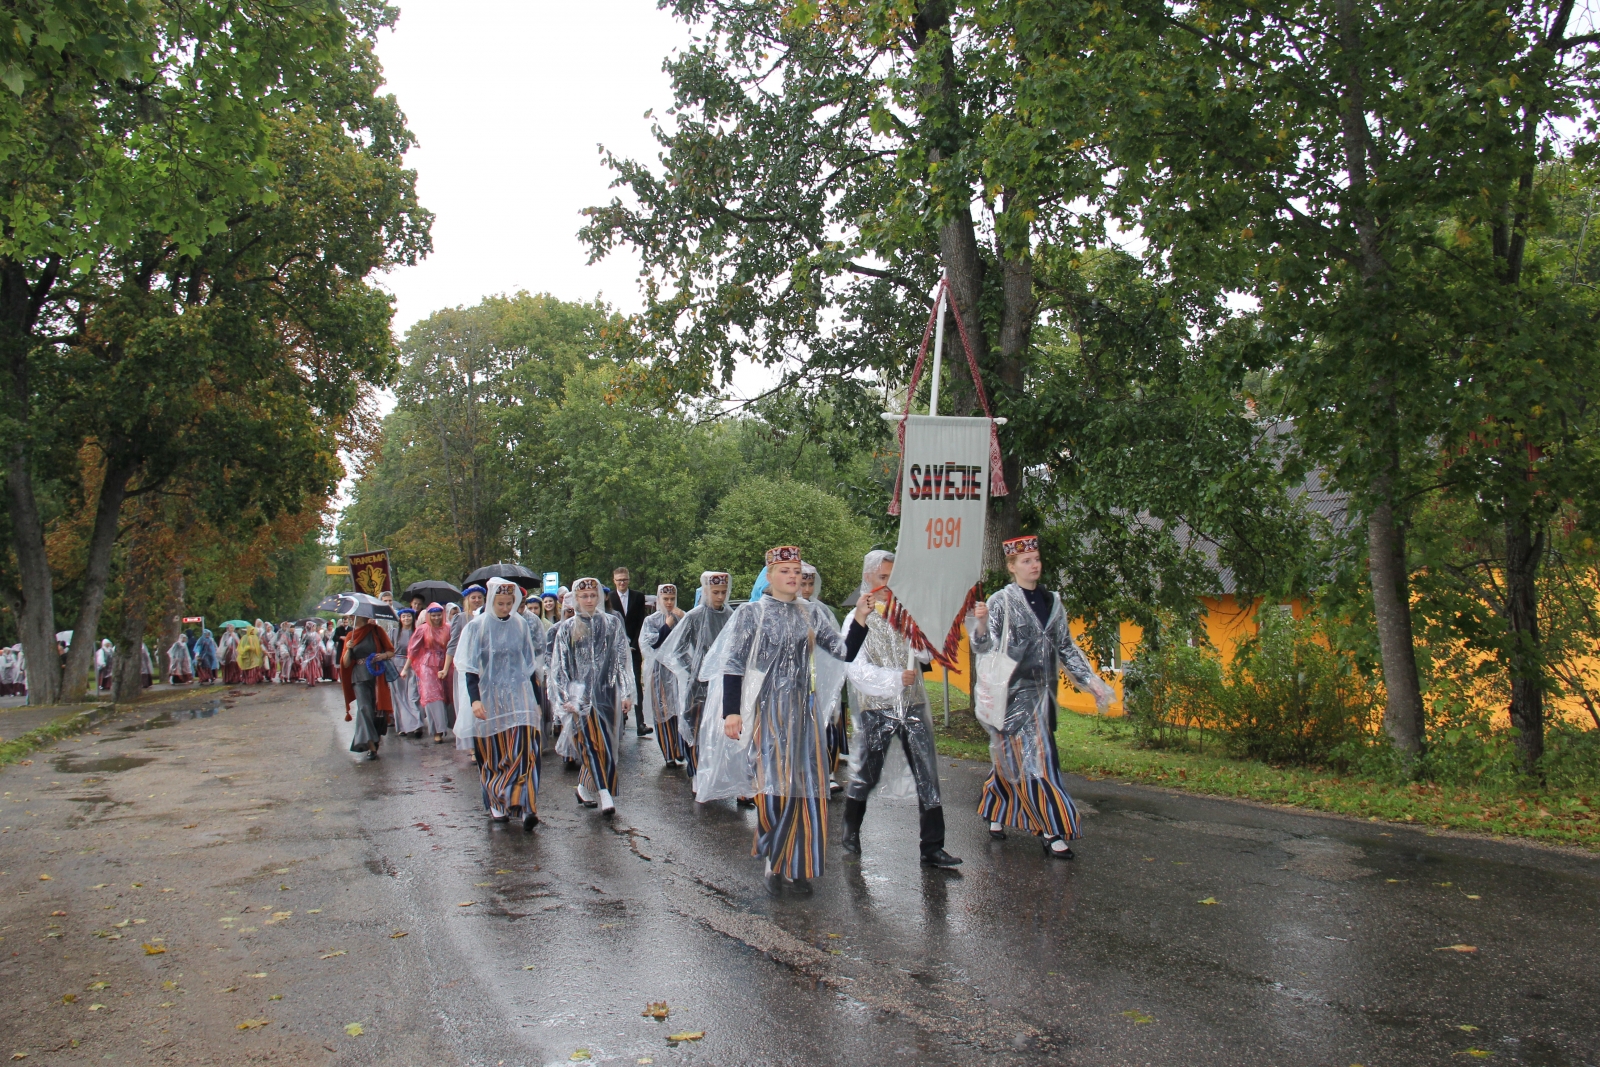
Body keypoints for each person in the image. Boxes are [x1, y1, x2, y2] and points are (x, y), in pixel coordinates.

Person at [697, 547, 873, 897]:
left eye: (797, 571)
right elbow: (732, 663)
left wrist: (862, 619)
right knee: (774, 786)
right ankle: (773, 851)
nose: (794, 577)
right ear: (770, 576)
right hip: (768, 713)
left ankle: (798, 862)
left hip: (803, 715)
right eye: (785, 571)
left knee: (807, 787)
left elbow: (843, 652)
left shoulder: (811, 614)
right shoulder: (751, 614)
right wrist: (731, 712)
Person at [967, 535, 1114, 860]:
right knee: (1036, 763)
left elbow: (1065, 646)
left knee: (1012, 762)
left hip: (1042, 695)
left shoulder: (1053, 601)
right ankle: (1053, 829)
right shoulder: (1001, 601)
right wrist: (980, 621)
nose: (1034, 565)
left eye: (1036, 559)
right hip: (1010, 696)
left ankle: (995, 811)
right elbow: (982, 646)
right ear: (1011, 566)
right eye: (1026, 561)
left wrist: (1090, 680)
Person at [838, 550, 962, 868]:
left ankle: (932, 846)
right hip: (876, 708)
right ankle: (851, 829)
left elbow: (923, 656)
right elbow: (855, 668)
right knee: (868, 773)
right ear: (868, 578)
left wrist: (925, 641)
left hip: (913, 705)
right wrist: (896, 679)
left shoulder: (905, 614)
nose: (889, 585)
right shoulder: (856, 619)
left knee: (927, 774)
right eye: (883, 578)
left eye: (894, 578)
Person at [549, 577, 635, 817]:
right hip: (580, 698)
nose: (589, 600)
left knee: (606, 743)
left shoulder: (611, 624)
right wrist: (564, 698)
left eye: (592, 595)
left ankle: (583, 788)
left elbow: (621, 660)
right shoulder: (567, 628)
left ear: (599, 597)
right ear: (576, 599)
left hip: (607, 693)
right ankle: (605, 791)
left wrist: (627, 692)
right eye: (583, 596)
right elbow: (560, 667)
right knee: (591, 743)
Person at [463, 578, 545, 831]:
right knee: (494, 753)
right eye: (500, 603)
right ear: (490, 601)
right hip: (490, 698)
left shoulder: (520, 625)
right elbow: (470, 668)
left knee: (523, 751)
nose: (505, 608)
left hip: (518, 696)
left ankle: (525, 804)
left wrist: (536, 701)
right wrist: (475, 699)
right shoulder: (477, 627)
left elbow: (529, 666)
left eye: (510, 603)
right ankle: (498, 800)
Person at [659, 572, 734, 782]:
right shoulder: (694, 616)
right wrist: (693, 670)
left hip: (722, 684)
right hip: (698, 685)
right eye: (715, 592)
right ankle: (696, 773)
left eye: (723, 592)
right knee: (697, 729)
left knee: (718, 730)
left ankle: (716, 773)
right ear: (706, 591)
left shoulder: (730, 615)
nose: (720, 597)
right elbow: (675, 649)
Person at [799, 563, 849, 792]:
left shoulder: (822, 611)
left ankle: (827, 771)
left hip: (820, 680)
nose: (807, 589)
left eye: (811, 584)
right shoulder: (788, 609)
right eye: (803, 583)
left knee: (827, 725)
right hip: (797, 683)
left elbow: (837, 647)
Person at [640, 584, 687, 767]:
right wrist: (666, 627)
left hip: (678, 672)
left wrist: (682, 618)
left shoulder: (682, 617)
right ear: (659, 599)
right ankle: (668, 753)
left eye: (672, 599)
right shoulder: (651, 620)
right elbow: (651, 643)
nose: (668, 603)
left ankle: (681, 749)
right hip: (660, 673)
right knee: (664, 711)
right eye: (665, 599)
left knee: (680, 710)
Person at [339, 609, 396, 760]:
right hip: (358, 676)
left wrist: (382, 656)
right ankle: (371, 745)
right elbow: (345, 664)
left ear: (363, 616)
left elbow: (391, 651)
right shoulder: (350, 636)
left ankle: (374, 737)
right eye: (350, 615)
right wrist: (349, 649)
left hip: (377, 675)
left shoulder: (376, 631)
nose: (351, 618)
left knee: (377, 711)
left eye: (353, 615)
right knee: (364, 708)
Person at [603, 567, 653, 738]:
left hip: (634, 644)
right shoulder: (609, 597)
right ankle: (621, 719)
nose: (622, 582)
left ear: (629, 579)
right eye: (619, 580)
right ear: (614, 580)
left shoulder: (638, 597)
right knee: (617, 683)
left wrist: (633, 642)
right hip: (616, 649)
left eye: (625, 579)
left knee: (636, 683)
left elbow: (641, 620)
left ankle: (640, 722)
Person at [404, 604, 452, 741]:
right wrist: (406, 668)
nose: (436, 618)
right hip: (427, 664)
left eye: (438, 615)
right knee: (433, 697)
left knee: (447, 695)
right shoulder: (423, 629)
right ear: (428, 616)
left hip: (445, 662)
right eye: (433, 615)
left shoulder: (448, 628)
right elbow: (413, 649)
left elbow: (453, 645)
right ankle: (437, 730)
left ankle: (448, 724)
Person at [390, 607, 422, 736]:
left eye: (408, 616)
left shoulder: (416, 632)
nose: (406, 619)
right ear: (400, 618)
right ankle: (402, 726)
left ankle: (417, 724)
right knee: (399, 697)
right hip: (396, 664)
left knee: (413, 695)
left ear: (412, 618)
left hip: (413, 665)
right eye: (403, 617)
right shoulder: (394, 632)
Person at [298, 621, 324, 687]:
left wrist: (323, 649)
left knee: (314, 667)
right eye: (313, 626)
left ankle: (312, 680)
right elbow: (302, 646)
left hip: (315, 654)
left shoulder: (316, 635)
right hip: (308, 655)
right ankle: (310, 680)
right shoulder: (306, 635)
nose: (314, 628)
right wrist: (299, 654)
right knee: (309, 668)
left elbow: (320, 643)